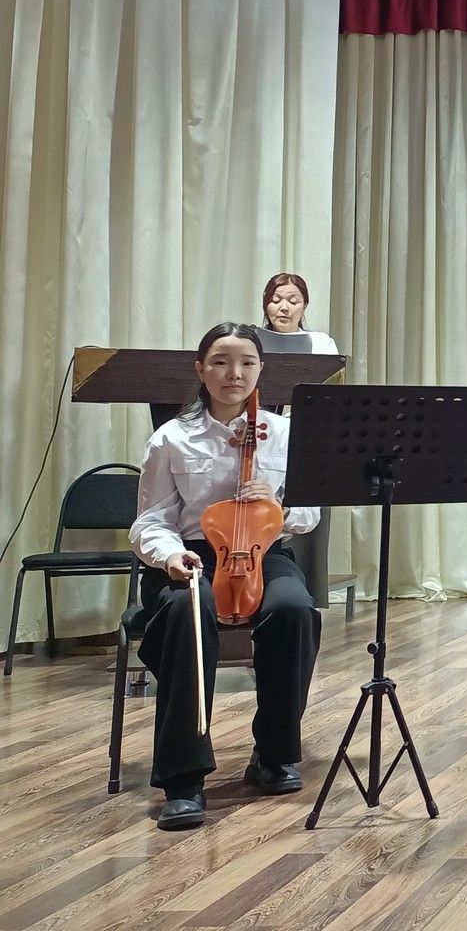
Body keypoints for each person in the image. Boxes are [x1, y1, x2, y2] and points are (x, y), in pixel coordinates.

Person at [129, 322, 321, 830]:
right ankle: (183, 778)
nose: (234, 373)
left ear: (261, 370)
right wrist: (171, 556)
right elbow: (150, 522)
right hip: (192, 554)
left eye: (247, 363)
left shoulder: (283, 434)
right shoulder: (172, 437)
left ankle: (274, 753)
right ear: (200, 369)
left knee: (295, 609)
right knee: (186, 610)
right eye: (220, 361)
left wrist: (276, 504)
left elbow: (310, 513)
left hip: (264, 549)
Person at [258, 272, 341, 354]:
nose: (284, 308)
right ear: (266, 306)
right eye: (276, 301)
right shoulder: (253, 342)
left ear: (304, 306)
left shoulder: (321, 344)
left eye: (293, 302)